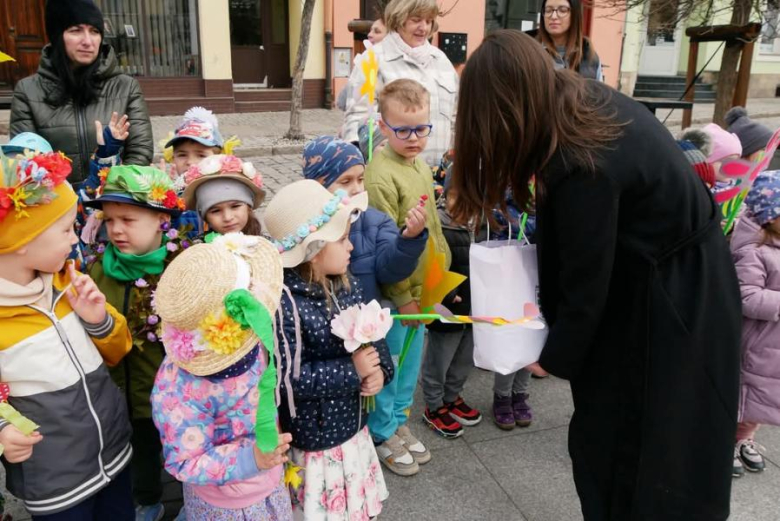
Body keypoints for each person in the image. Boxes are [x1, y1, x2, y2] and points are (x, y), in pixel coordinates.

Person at [449, 30, 741, 519]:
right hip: (666, 275)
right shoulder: (573, 101)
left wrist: (551, 355)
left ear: (504, 111)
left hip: (673, 298)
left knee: (639, 441)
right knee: (638, 432)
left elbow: (587, 285)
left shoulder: (582, 158)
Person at [0, 152, 134, 519]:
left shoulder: (69, 282)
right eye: (65, 230)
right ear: (21, 241)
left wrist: (98, 320)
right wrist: (3, 430)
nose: (76, 238)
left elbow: (119, 349)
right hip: (57, 482)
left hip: (114, 454)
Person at [264, 180, 392, 520]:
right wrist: (354, 371)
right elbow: (287, 380)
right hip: (317, 439)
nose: (351, 247)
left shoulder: (346, 283)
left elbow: (373, 333)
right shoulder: (286, 305)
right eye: (344, 238)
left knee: (353, 507)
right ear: (315, 248)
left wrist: (379, 372)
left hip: (352, 426)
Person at [151, 234, 293, 519]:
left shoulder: (251, 344)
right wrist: (250, 458)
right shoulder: (177, 389)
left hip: (269, 480)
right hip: (226, 505)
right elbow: (185, 462)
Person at [83, 166, 188, 521]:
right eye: (109, 219)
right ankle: (148, 500)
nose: (115, 229)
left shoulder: (180, 268)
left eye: (128, 219)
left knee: (182, 450)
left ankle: (192, 494)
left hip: (172, 396)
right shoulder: (98, 269)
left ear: (161, 218)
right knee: (139, 453)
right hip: (117, 395)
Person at [364, 78, 451, 476]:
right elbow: (384, 246)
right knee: (391, 361)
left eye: (422, 128)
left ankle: (399, 421)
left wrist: (437, 278)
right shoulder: (380, 176)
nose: (415, 138)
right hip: (396, 296)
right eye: (403, 130)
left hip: (425, 285)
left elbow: (429, 224)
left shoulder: (416, 162)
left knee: (410, 364)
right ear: (383, 126)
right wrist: (403, 297)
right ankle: (381, 432)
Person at [10, 0, 152, 183]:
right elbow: (25, 160)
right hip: (56, 205)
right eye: (76, 30)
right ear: (57, 36)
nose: (87, 41)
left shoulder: (125, 87)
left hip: (112, 203)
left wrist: (110, 197)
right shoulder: (28, 91)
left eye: (94, 31)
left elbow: (140, 153)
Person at [301, 135, 428, 304]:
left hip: (363, 321)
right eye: (345, 181)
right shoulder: (302, 227)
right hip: (318, 320)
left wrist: (409, 240)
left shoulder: (376, 222)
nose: (357, 189)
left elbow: (390, 271)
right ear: (317, 185)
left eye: (361, 179)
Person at [343, 0, 459, 167]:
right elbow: (357, 119)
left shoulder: (442, 61)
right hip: (392, 176)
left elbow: (455, 119)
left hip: (439, 174)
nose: (424, 27)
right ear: (398, 18)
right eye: (416, 19)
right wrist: (366, 160)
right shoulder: (372, 61)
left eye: (428, 21)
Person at [421, 177, 482, 438]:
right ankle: (433, 405)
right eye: (457, 197)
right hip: (448, 307)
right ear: (446, 196)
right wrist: (448, 293)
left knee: (464, 356)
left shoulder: (482, 226)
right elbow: (431, 266)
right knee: (440, 357)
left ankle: (452, 396)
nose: (463, 205)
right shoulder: (438, 226)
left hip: (476, 306)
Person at [729, 173, 780, 478]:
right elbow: (746, 296)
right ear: (770, 216)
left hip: (773, 341)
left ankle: (745, 439)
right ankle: (724, 444)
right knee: (743, 396)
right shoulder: (753, 251)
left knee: (763, 397)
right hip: (756, 342)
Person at [182, 154, 265, 237]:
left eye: (235, 206)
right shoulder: (197, 248)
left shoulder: (271, 247)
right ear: (205, 217)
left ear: (248, 207)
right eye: (216, 211)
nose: (227, 218)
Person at [535, 0, 602, 80]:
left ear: (575, 14)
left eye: (562, 10)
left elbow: (598, 91)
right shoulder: (529, 50)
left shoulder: (590, 57)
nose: (553, 16)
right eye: (548, 10)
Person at [336, 18, 388, 112]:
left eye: (377, 32)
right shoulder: (366, 57)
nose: (369, 35)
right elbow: (343, 102)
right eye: (370, 31)